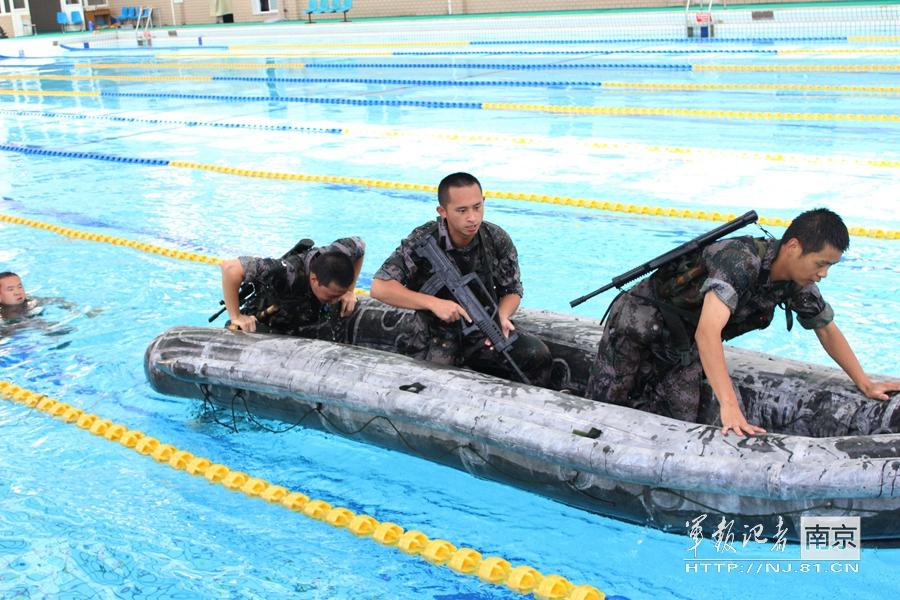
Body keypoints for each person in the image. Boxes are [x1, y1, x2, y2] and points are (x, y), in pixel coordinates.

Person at [585, 208, 900, 436]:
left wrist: (865, 381)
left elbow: (826, 329)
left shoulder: (795, 283)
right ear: (794, 247)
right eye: (821, 263)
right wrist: (730, 404)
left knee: (680, 420)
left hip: (682, 348)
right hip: (637, 330)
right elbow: (709, 331)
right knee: (603, 413)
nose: (824, 273)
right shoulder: (741, 260)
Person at [370, 172, 552, 386]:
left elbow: (512, 290)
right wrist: (434, 304)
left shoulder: (495, 238)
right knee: (437, 387)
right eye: (462, 210)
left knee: (537, 354)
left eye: (477, 207)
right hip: (436, 336)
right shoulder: (424, 241)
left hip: (482, 331)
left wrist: (501, 317)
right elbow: (379, 287)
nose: (472, 218)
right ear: (442, 211)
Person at [219, 237, 364, 342]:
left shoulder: (340, 252)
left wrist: (349, 291)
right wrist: (236, 316)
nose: (336, 300)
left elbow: (360, 245)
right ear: (314, 280)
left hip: (306, 315)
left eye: (339, 295)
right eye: (332, 295)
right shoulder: (287, 272)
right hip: (269, 321)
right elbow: (230, 268)